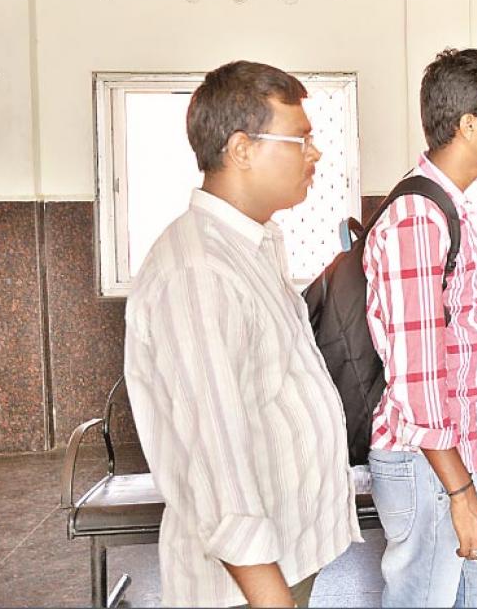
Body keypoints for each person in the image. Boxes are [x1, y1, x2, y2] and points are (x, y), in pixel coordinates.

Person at [124, 61, 361, 607]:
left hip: (286, 554)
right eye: (299, 139)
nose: (316, 154)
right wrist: (270, 597)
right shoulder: (199, 269)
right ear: (242, 149)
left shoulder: (253, 243)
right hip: (244, 583)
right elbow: (214, 455)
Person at [363, 48, 477, 608]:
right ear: (468, 124)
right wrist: (461, 494)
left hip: (459, 453)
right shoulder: (418, 217)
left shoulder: (455, 207)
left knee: (467, 595)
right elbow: (418, 377)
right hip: (426, 462)